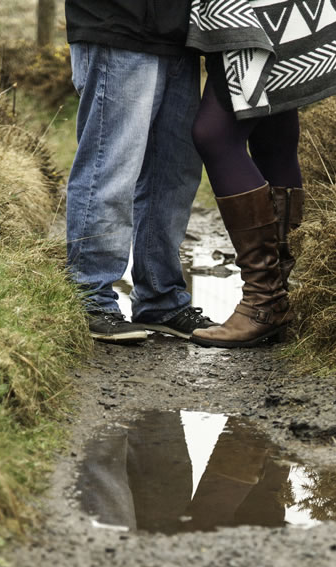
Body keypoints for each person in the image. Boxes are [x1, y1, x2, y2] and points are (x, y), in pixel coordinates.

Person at [186, 0, 336, 348]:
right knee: (272, 129)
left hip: (257, 10)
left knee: (215, 135)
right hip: (280, 11)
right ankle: (278, 296)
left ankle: (264, 301)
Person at [64, 1, 215, 343]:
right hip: (117, 22)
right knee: (111, 165)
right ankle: (90, 297)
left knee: (174, 176)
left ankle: (161, 300)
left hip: (179, 35)